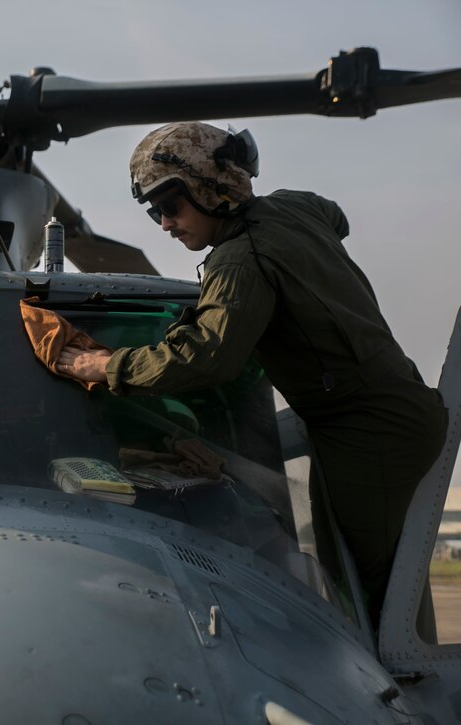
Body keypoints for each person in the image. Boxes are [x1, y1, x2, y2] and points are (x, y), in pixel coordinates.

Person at [56, 121, 447, 628]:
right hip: (396, 407)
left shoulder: (239, 261)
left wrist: (104, 364)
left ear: (210, 189)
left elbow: (204, 357)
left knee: (367, 595)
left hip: (367, 434)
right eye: (154, 212)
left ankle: (398, 699)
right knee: (384, 577)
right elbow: (336, 216)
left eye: (170, 206)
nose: (164, 225)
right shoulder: (296, 206)